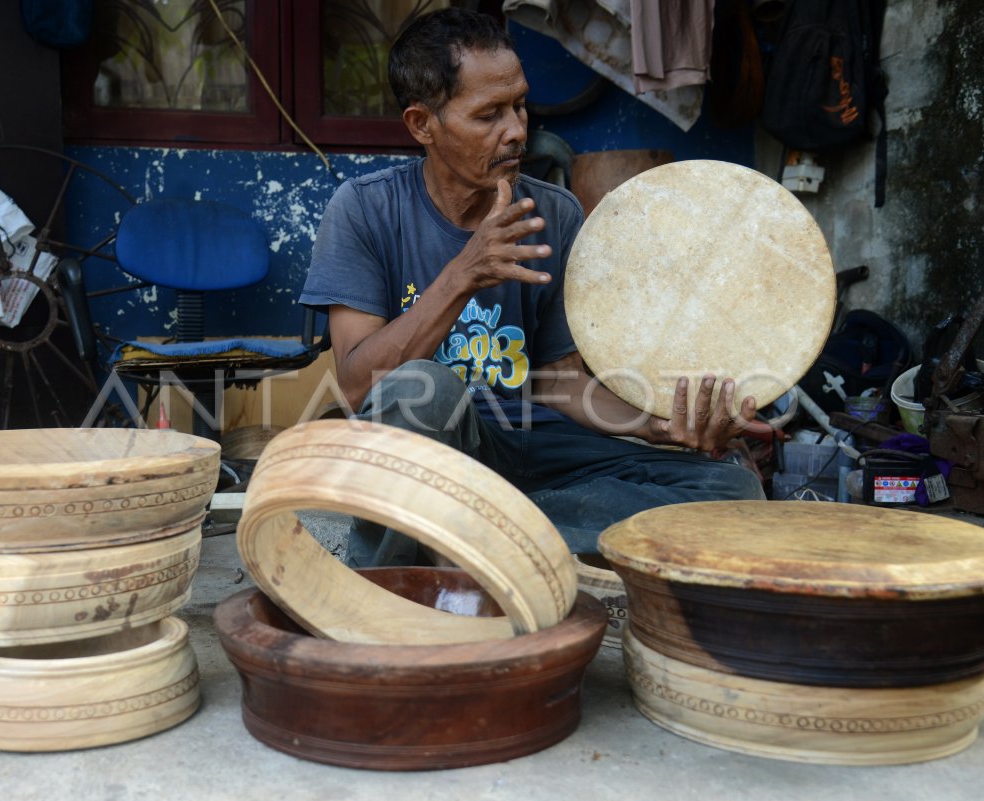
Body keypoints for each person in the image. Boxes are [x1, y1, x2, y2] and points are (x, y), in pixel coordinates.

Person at [300, 8, 765, 566]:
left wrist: (657, 426)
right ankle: (402, 585)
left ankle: (484, 534)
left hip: (527, 440)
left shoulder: (554, 211)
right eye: (489, 114)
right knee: (422, 389)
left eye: (519, 104)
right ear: (423, 124)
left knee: (728, 487)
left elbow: (557, 381)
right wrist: (464, 273)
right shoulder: (365, 209)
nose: (516, 129)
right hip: (428, 443)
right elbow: (357, 386)